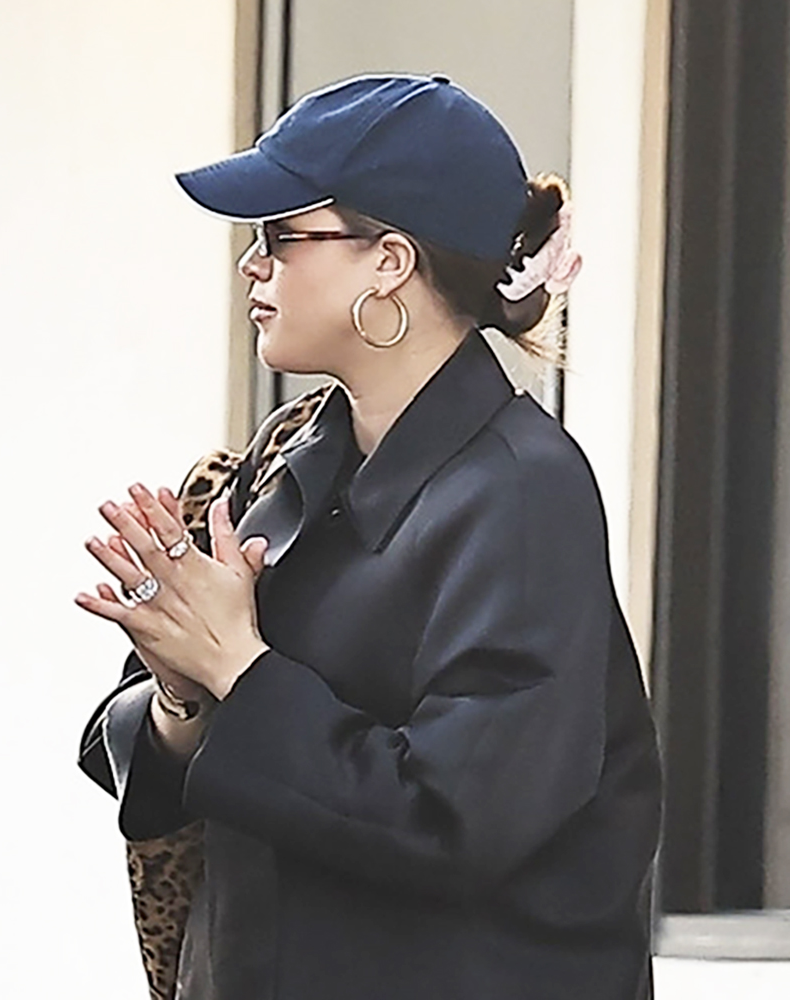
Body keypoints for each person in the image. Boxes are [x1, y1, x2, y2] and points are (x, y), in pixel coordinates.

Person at [75, 72, 662, 1000]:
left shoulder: (521, 492)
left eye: (281, 235)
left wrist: (241, 671)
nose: (250, 266)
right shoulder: (290, 455)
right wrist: (184, 695)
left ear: (390, 262)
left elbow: (458, 820)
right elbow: (146, 760)